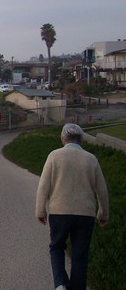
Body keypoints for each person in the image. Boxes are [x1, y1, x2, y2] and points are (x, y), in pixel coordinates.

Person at [35, 123, 109, 290]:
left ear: (63, 139)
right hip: (86, 214)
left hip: (59, 212)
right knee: (80, 255)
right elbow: (102, 190)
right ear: (81, 139)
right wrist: (103, 214)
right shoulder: (91, 159)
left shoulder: (54, 156)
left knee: (57, 247)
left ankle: (61, 284)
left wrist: (40, 210)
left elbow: (43, 186)